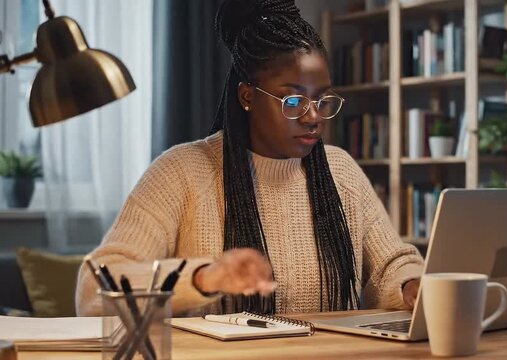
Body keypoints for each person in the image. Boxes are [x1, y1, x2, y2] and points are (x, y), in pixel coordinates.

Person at [76, 0, 422, 316]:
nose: (313, 116)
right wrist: (201, 278)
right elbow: (95, 289)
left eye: (322, 100)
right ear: (247, 96)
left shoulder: (340, 170)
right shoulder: (180, 172)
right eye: (293, 101)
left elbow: (391, 266)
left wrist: (411, 286)